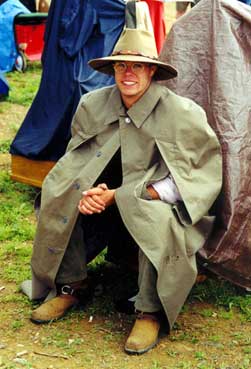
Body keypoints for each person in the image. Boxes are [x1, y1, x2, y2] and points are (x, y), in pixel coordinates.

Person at [21, 24, 222, 355]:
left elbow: (195, 180)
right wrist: (87, 191)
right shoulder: (92, 104)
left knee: (152, 214)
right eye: (121, 65)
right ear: (113, 68)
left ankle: (149, 309)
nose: (128, 73)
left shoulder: (181, 113)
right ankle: (71, 285)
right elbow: (78, 160)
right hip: (107, 197)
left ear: (152, 71)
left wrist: (123, 196)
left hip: (158, 204)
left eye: (137, 66)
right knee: (63, 193)